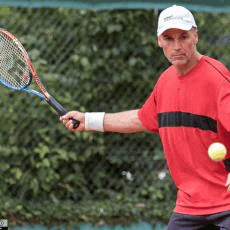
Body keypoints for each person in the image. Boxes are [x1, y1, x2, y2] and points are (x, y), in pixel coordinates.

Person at [60, 5, 230, 230]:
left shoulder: (217, 79)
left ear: (195, 36)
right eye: (168, 38)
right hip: (189, 206)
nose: (176, 46)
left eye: (184, 37)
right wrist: (88, 120)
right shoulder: (165, 82)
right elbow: (142, 119)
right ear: (159, 41)